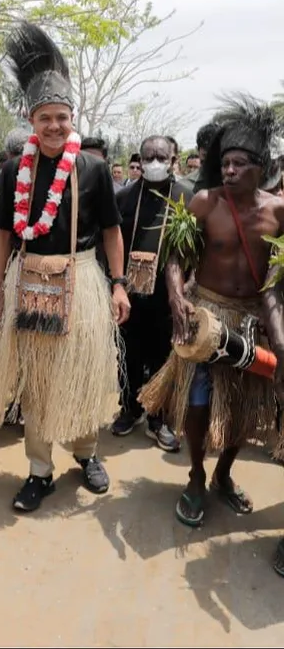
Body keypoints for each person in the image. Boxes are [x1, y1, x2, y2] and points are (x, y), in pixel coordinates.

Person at [0, 22, 130, 513]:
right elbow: (4, 233)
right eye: (45, 118)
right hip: (28, 278)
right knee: (39, 379)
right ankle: (39, 470)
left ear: (73, 119)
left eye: (62, 118)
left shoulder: (91, 169)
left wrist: (118, 285)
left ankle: (87, 455)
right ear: (32, 120)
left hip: (84, 277)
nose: (54, 126)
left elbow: (112, 231)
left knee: (81, 372)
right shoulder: (13, 171)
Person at [139, 96, 284, 530]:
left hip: (251, 321)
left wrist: (276, 331)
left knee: (243, 409)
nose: (229, 170)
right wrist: (176, 297)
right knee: (199, 403)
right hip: (206, 318)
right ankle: (197, 476)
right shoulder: (204, 202)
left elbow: (277, 281)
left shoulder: (278, 212)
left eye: (239, 164)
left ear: (261, 168)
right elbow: (174, 257)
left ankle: (223, 474)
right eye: (225, 163)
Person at [112, 136, 189, 451]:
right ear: (140, 162)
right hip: (130, 294)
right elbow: (112, 244)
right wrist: (114, 285)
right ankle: (130, 408)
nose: (154, 162)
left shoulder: (187, 198)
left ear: (173, 160)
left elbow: (195, 253)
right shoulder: (126, 197)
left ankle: (158, 417)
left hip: (166, 298)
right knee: (127, 355)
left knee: (162, 357)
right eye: (148, 157)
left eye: (161, 156)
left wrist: (186, 292)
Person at [180, 123, 219, 193]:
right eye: (205, 155)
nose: (211, 161)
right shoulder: (184, 186)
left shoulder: (236, 183)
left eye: (215, 156)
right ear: (198, 150)